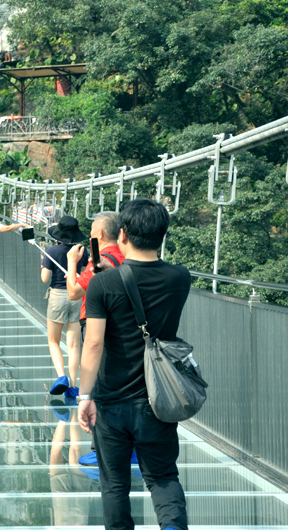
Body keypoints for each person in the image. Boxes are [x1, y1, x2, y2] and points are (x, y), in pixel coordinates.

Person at [77, 199, 191, 530]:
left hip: (111, 399)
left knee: (114, 484)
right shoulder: (180, 278)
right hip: (158, 398)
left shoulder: (102, 283)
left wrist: (84, 396)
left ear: (123, 235)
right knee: (163, 477)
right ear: (162, 234)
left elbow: (94, 343)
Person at [65, 211, 127, 467]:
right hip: (124, 326)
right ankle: (130, 447)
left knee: (99, 384)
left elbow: (73, 292)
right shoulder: (128, 257)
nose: (90, 236)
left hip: (95, 323)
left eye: (91, 232)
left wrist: (71, 263)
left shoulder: (101, 260)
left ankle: (100, 448)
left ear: (100, 234)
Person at [40, 215, 89, 398]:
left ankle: (61, 376)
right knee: (74, 344)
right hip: (76, 296)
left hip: (58, 297)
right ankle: (73, 385)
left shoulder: (52, 251)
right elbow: (83, 276)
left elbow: (45, 278)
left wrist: (43, 265)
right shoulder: (82, 251)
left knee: (53, 340)